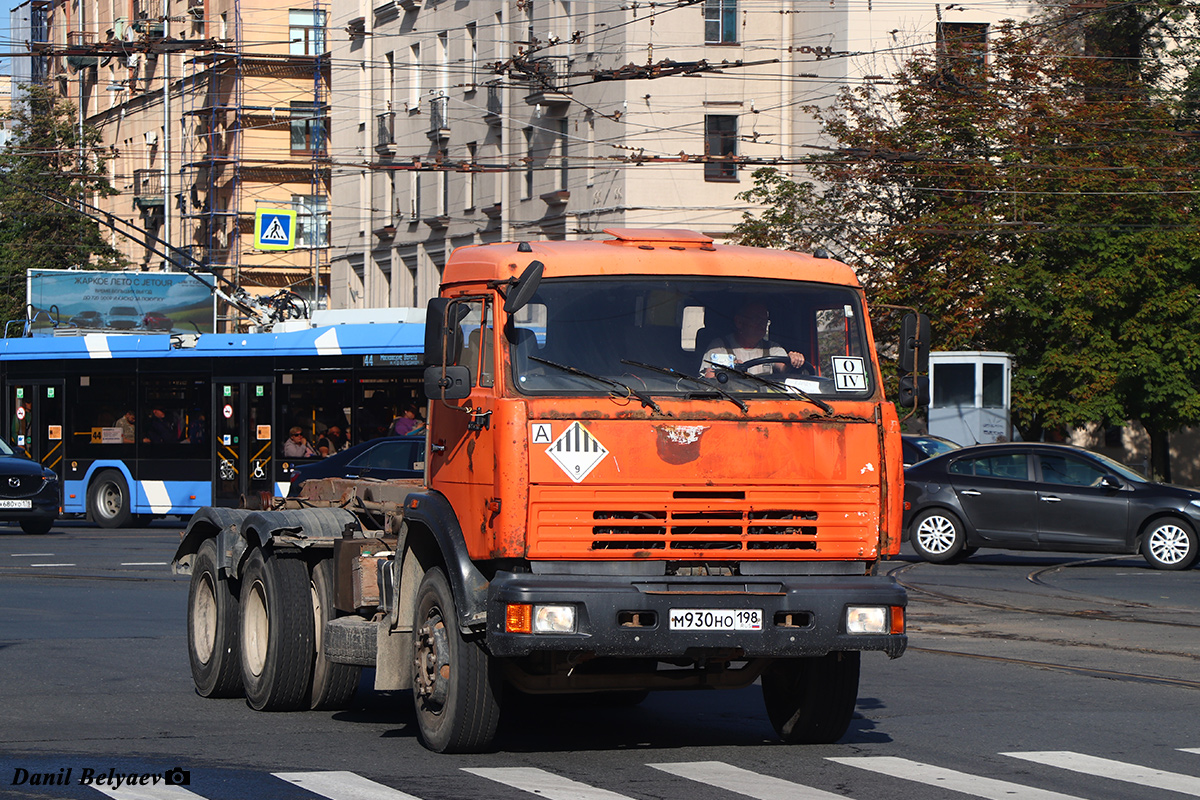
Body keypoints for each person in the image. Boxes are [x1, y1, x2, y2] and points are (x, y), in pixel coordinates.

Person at [701, 302, 809, 378]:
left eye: (765, 320)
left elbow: (783, 368)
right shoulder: (719, 346)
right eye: (756, 319)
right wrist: (727, 371)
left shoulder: (772, 348)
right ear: (739, 322)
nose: (762, 324)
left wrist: (794, 361)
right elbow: (708, 377)